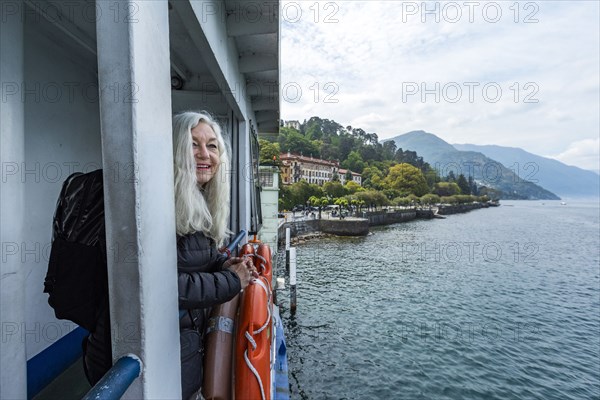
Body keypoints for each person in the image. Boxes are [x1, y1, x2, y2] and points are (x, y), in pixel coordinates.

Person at [83, 111, 257, 399]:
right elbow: (156, 284)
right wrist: (231, 281)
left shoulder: (192, 200)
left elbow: (193, 259)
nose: (204, 154)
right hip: (139, 359)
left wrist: (223, 263)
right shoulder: (151, 204)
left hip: (178, 354)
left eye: (212, 146)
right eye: (193, 144)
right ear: (174, 149)